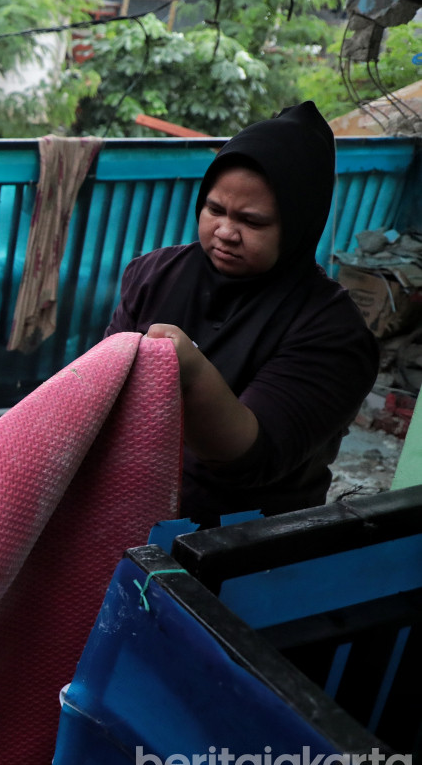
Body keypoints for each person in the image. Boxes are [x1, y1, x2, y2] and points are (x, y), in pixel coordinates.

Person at [105, 102, 379, 526]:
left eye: (252, 221)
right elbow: (101, 393)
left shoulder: (334, 332)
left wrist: (190, 370)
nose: (226, 233)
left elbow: (252, 458)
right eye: (215, 210)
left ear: (298, 225)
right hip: (122, 515)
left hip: (239, 546)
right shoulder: (154, 274)